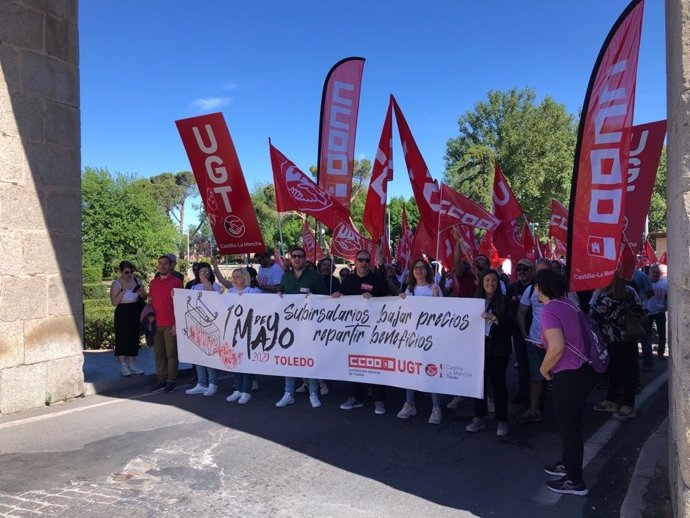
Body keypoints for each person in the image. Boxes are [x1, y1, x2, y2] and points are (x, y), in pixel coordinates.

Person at [534, 268, 597, 496]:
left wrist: (543, 368)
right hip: (582, 370)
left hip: (568, 372)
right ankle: (567, 463)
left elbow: (557, 346)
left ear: (541, 288)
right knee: (570, 424)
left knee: (569, 427)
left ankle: (575, 480)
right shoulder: (568, 303)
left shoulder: (550, 309)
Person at [334, 249, 392, 415]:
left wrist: (374, 299)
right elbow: (341, 300)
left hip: (374, 330)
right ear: (356, 261)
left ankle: (379, 399)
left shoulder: (377, 280)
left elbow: (389, 299)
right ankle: (356, 397)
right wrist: (337, 295)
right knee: (355, 363)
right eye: (360, 259)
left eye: (367, 260)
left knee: (375, 363)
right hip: (352, 331)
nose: (364, 263)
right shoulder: (347, 280)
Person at [275, 246, 327, 409]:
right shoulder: (285, 277)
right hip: (289, 327)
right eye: (294, 256)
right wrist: (278, 296)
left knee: (309, 360)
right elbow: (281, 295)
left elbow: (325, 297)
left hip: (309, 326)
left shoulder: (314, 277)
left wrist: (314, 298)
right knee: (289, 360)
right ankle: (288, 393)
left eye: (300, 256)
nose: (297, 259)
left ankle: (313, 393)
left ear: (305, 259)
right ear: (290, 259)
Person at [590, 272, 644, 418]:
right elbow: (641, 310)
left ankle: (620, 402)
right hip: (628, 336)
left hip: (612, 339)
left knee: (616, 371)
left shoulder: (606, 297)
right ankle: (621, 401)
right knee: (627, 370)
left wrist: (597, 293)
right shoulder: (630, 291)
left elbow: (593, 315)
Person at [465, 269, 512, 436]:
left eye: (493, 280)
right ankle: (479, 417)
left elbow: (509, 326)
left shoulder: (505, 301)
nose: (490, 284)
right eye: (487, 280)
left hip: (499, 348)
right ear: (481, 282)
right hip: (479, 347)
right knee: (479, 383)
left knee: (499, 384)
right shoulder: (474, 301)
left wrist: (493, 318)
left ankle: (502, 420)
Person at [396, 259, 444, 424]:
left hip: (430, 337)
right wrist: (401, 300)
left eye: (422, 268)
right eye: (415, 268)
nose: (418, 270)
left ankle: (436, 407)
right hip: (412, 336)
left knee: (431, 370)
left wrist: (437, 298)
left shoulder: (435, 288)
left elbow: (441, 313)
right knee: (411, 370)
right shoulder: (409, 289)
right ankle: (409, 404)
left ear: (427, 270)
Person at [515, 258, 554, 423]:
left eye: (545, 271)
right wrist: (525, 334)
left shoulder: (561, 290)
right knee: (536, 377)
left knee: (556, 378)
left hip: (555, 344)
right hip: (535, 342)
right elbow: (521, 313)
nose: (542, 275)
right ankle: (534, 409)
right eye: (539, 271)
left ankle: (560, 410)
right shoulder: (531, 290)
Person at [224, 267, 262, 405]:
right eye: (233, 276)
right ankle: (238, 390)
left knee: (246, 364)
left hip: (249, 333)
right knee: (236, 362)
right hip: (234, 333)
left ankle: (246, 391)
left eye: (237, 276)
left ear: (244, 278)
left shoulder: (254, 292)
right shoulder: (230, 293)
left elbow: (267, 305)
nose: (234, 279)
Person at [185, 262, 223, 397]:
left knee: (209, 355)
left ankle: (213, 384)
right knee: (198, 356)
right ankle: (201, 383)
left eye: (207, 272)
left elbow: (216, 299)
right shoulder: (194, 286)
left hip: (210, 325)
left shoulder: (216, 286)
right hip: (196, 324)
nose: (205, 274)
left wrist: (207, 283)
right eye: (202, 272)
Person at [148, 255, 184, 393]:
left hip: (170, 324)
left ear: (170, 265)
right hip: (156, 324)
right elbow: (150, 302)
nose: (162, 266)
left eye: (165, 264)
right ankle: (161, 380)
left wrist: (176, 323)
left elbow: (181, 304)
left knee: (171, 354)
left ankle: (171, 380)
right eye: (160, 263)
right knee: (158, 353)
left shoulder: (177, 282)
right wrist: (150, 317)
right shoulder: (153, 283)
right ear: (158, 265)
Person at [110, 261, 147, 376]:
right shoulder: (116, 283)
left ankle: (132, 364)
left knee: (133, 337)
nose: (129, 274)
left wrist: (141, 292)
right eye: (126, 272)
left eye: (131, 272)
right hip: (122, 311)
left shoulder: (137, 281)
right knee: (122, 337)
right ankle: (123, 365)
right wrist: (123, 289)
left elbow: (144, 296)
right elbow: (114, 302)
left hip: (135, 310)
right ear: (121, 272)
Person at [507, 258, 534, 405]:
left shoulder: (537, 286)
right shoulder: (512, 288)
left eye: (525, 269)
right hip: (518, 332)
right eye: (519, 269)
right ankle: (523, 392)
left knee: (536, 364)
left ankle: (537, 396)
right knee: (522, 363)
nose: (522, 272)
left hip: (536, 332)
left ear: (532, 271)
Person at [645, 264, 668, 360]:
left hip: (660, 312)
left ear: (660, 273)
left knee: (662, 334)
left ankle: (660, 353)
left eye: (657, 272)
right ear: (649, 273)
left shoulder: (665, 283)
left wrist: (666, 307)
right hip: (647, 312)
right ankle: (647, 354)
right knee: (646, 335)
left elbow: (668, 296)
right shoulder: (645, 282)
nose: (655, 274)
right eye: (653, 272)